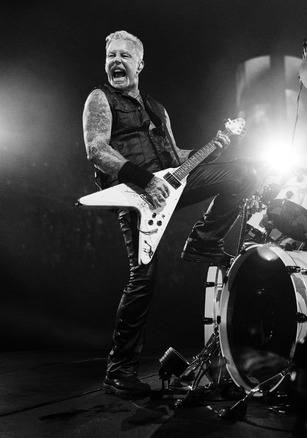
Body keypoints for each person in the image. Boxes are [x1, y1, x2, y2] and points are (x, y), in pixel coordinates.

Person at [82, 30, 257, 397]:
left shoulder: (156, 108)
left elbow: (177, 158)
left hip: (170, 183)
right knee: (143, 279)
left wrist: (216, 144)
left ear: (140, 64)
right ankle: (119, 371)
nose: (116, 61)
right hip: (133, 193)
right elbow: (96, 149)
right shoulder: (100, 98)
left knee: (244, 172)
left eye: (125, 56)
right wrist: (143, 179)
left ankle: (203, 241)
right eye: (111, 55)